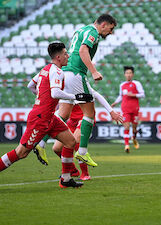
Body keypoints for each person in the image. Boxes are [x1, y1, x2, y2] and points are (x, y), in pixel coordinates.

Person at [0, 42, 93, 188]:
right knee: (21, 152)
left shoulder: (45, 69)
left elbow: (30, 85)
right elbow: (55, 92)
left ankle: (66, 179)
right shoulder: (57, 71)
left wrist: (42, 99)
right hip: (40, 118)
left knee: (70, 142)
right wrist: (74, 97)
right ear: (58, 57)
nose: (68, 56)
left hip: (50, 117)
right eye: (65, 53)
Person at [57, 14, 118, 167]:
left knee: (63, 114)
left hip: (66, 71)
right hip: (77, 72)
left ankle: (41, 143)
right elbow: (83, 50)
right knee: (89, 114)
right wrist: (94, 71)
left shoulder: (82, 29)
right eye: (110, 29)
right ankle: (83, 152)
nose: (110, 33)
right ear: (104, 24)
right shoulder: (93, 33)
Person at [111, 66, 145, 153]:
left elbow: (142, 94)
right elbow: (121, 96)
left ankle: (134, 137)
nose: (128, 75)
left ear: (132, 74)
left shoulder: (137, 83)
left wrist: (133, 95)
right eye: (127, 73)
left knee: (134, 128)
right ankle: (126, 145)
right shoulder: (122, 85)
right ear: (124, 75)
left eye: (130, 73)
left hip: (135, 109)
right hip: (125, 108)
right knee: (126, 126)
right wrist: (115, 102)